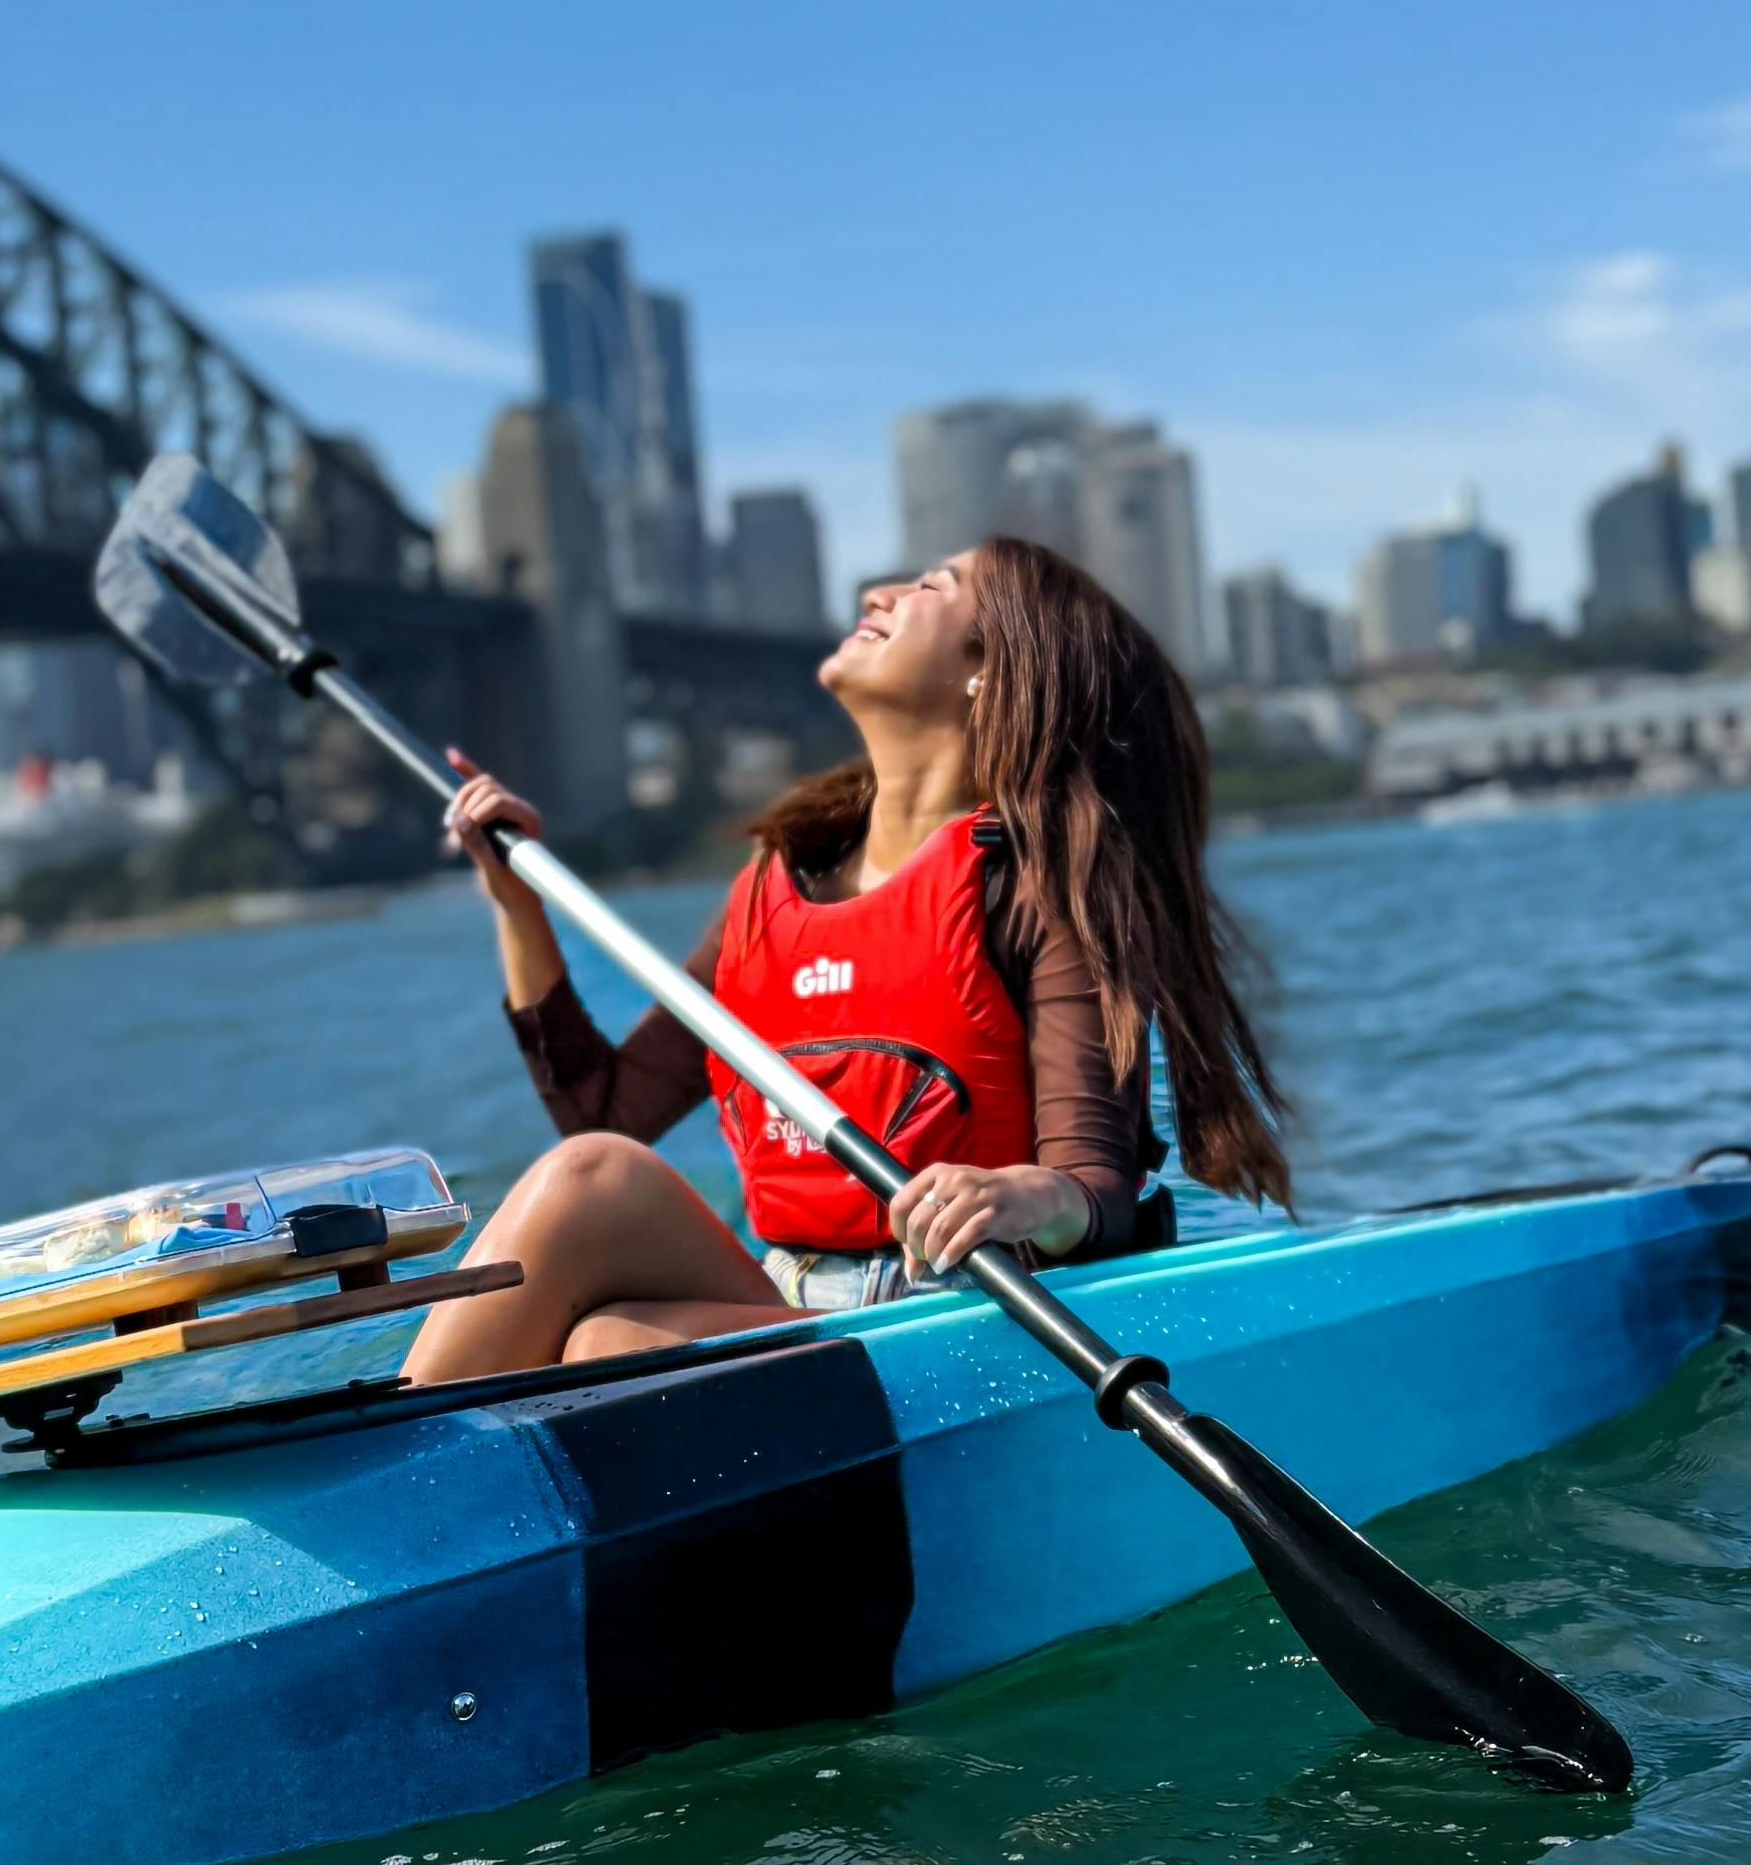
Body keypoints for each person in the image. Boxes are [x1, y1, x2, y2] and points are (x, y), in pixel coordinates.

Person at [402, 534, 1294, 1382]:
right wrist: (518, 907)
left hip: (964, 1327)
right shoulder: (772, 889)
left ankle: (391, 1478)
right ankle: (393, 1467)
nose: (880, 593)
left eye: (932, 587)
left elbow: (1094, 1193)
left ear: (989, 669)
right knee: (596, 1192)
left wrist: (1030, 1197)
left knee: (611, 1332)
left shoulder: (1038, 888)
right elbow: (606, 1107)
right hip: (791, 1301)